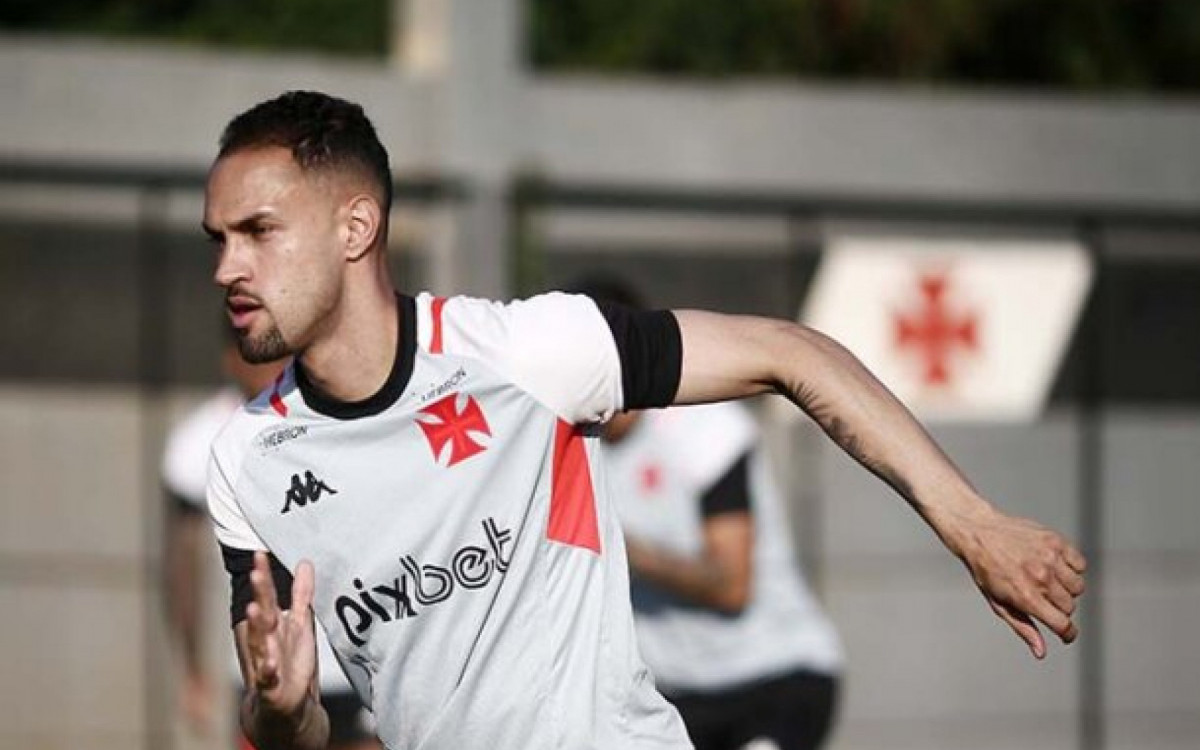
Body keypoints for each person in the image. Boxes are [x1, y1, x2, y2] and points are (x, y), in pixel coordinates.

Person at [200, 90, 1086, 750]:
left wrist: (971, 522)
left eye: (258, 230)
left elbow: (789, 352)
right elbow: (293, 727)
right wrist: (278, 712)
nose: (227, 267)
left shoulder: (524, 354)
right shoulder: (247, 464)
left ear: (356, 227)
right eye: (219, 239)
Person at [578, 277, 841, 750]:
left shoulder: (703, 430)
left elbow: (731, 585)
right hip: (674, 698)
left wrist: (624, 549)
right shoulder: (569, 444)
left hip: (773, 679)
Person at [162, 336, 381, 750]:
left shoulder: (342, 415)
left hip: (357, 666)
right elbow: (182, 565)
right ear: (231, 359)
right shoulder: (204, 444)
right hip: (266, 670)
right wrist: (191, 669)